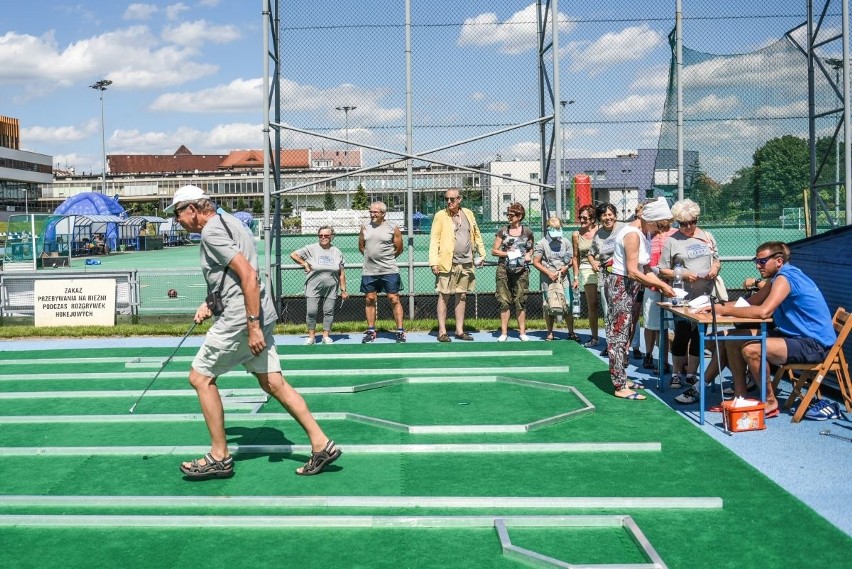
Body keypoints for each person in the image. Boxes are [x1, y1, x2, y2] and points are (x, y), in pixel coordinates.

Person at [165, 184, 341, 480]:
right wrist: (211, 301)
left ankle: (220, 457)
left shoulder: (211, 232)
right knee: (274, 382)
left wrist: (252, 325)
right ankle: (321, 443)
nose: (177, 220)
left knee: (200, 377)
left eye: (178, 213)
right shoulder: (231, 221)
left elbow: (248, 274)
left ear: (193, 209)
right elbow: (233, 275)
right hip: (256, 310)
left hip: (241, 319)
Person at [695, 241, 835, 419]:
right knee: (731, 337)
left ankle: (770, 401)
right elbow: (751, 303)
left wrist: (723, 310)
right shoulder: (777, 277)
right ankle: (740, 396)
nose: (757, 265)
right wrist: (714, 306)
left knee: (751, 349)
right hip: (793, 336)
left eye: (762, 261)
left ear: (778, 260)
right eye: (756, 260)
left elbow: (764, 312)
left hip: (813, 344)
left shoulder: (786, 278)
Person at [604, 196, 675, 400]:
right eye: (659, 226)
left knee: (625, 333)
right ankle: (619, 385)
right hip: (622, 284)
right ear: (650, 220)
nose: (660, 231)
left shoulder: (643, 234)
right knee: (618, 335)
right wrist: (661, 285)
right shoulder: (633, 235)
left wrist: (663, 284)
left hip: (630, 286)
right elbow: (633, 271)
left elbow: (646, 269)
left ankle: (622, 377)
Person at [657, 199, 722, 389]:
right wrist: (683, 274)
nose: (688, 227)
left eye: (692, 222)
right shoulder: (672, 240)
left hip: (705, 295)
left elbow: (717, 259)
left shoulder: (707, 236)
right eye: (683, 223)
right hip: (682, 296)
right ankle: (677, 373)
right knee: (682, 333)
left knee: (699, 335)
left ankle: (692, 373)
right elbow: (662, 270)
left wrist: (715, 269)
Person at [428, 188, 486, 342]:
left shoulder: (468, 213)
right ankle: (442, 331)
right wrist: (434, 262)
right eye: (446, 199)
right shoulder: (440, 216)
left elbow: (476, 233)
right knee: (444, 295)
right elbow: (434, 240)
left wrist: (482, 253)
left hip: (466, 262)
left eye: (452, 199)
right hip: (447, 263)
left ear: (459, 199)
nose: (448, 202)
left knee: (462, 295)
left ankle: (460, 331)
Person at [290, 225, 349, 345]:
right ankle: (311, 337)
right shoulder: (311, 248)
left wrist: (343, 290)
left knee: (328, 311)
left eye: (326, 235)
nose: (323, 237)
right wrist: (304, 263)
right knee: (311, 311)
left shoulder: (337, 252)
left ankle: (325, 336)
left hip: (331, 287)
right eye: (320, 235)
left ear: (332, 236)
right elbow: (293, 255)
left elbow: (341, 273)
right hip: (313, 286)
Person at [359, 201, 405, 343]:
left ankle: (400, 331)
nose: (372, 214)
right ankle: (371, 331)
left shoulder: (393, 227)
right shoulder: (364, 227)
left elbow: (399, 248)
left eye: (375, 212)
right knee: (370, 299)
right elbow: (361, 246)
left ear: (383, 214)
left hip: (389, 270)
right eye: (371, 212)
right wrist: (372, 259)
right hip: (369, 271)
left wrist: (386, 259)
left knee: (394, 299)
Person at [491, 202, 535, 341]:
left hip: (521, 270)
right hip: (504, 269)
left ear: (519, 216)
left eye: (511, 215)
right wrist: (508, 254)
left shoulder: (527, 232)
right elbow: (494, 250)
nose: (509, 217)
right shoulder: (503, 231)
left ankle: (522, 332)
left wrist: (529, 255)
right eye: (508, 214)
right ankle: (504, 333)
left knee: (520, 300)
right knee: (503, 300)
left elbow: (530, 249)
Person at [533, 215, 580, 341]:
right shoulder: (541, 243)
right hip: (548, 279)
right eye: (553, 228)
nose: (556, 230)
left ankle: (571, 332)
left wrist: (566, 267)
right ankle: (550, 332)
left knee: (567, 304)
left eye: (558, 228)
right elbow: (536, 262)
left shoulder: (566, 242)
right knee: (549, 305)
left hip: (563, 278)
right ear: (548, 228)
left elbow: (571, 259)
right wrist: (548, 272)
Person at [641, 216, 677, 371]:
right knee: (652, 323)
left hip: (673, 285)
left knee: (672, 325)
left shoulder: (675, 234)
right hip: (652, 284)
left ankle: (665, 360)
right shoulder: (647, 235)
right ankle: (649, 354)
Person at [587, 203, 624, 356]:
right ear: (600, 218)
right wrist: (593, 262)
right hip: (605, 276)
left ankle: (624, 347)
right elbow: (590, 253)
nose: (607, 218)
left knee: (622, 312)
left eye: (610, 214)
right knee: (608, 312)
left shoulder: (624, 229)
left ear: (615, 215)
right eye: (604, 215)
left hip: (623, 276)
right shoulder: (598, 234)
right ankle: (611, 345)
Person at [572, 205, 600, 347]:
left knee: (609, 305)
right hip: (585, 268)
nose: (581, 220)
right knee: (592, 304)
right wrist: (576, 277)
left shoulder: (601, 231)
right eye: (580, 217)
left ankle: (612, 339)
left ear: (593, 219)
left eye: (585, 218)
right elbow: (575, 257)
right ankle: (595, 337)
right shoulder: (576, 234)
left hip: (603, 267)